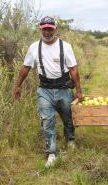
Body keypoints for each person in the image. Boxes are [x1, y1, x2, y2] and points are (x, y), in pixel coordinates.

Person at [14, 16, 83, 167]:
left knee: (68, 118)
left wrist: (78, 90)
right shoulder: (34, 47)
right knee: (47, 121)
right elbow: (25, 68)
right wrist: (18, 85)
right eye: (44, 29)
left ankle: (70, 140)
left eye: (49, 29)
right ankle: (52, 152)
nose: (47, 32)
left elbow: (73, 69)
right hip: (44, 90)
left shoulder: (65, 46)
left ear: (55, 29)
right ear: (40, 29)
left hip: (64, 89)